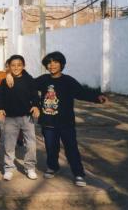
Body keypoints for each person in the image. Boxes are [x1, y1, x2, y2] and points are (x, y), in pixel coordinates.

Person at [36, 51, 108, 187]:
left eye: (55, 62)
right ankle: (53, 167)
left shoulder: (68, 80)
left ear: (62, 64)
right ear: (46, 66)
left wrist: (97, 97)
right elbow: (28, 86)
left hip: (66, 123)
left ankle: (79, 174)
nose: (52, 65)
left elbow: (81, 92)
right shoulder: (43, 79)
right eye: (49, 63)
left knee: (71, 148)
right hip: (48, 121)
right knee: (51, 148)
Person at [0, 55, 40, 181]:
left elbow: (35, 96)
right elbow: (0, 97)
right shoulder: (5, 81)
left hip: (27, 117)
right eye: (13, 65)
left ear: (23, 66)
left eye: (19, 65)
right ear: (8, 67)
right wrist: (0, 108)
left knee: (31, 144)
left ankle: (30, 167)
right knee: (9, 144)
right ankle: (9, 168)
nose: (16, 67)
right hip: (10, 118)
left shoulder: (29, 80)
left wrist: (36, 106)